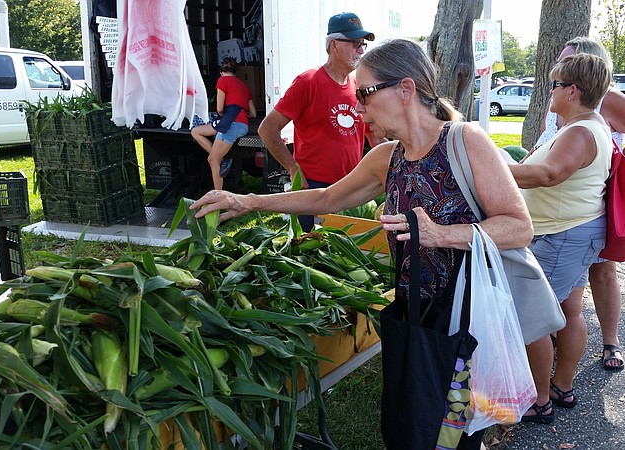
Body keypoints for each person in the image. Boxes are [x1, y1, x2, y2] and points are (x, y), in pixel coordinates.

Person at [193, 38, 533, 450]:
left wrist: (444, 234)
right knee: (409, 424)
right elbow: (325, 198)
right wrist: (247, 200)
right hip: (411, 313)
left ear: (405, 89)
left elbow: (519, 227)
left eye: (365, 94)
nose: (358, 107)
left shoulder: (465, 142)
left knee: (452, 433)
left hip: (465, 317)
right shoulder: (386, 157)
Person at [534, 37, 625, 371]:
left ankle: (611, 342)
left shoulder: (601, 100)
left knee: (602, 270)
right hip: (564, 199)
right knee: (570, 299)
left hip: (587, 198)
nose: (558, 70)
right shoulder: (562, 101)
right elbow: (546, 142)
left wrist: (618, 167)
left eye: (568, 61)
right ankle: (559, 367)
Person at [510, 53, 613, 424]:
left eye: (554, 85)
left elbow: (548, 175)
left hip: (562, 236)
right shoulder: (587, 124)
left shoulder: (581, 131)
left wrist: (492, 167)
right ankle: (561, 386)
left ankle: (539, 400)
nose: (549, 92)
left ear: (572, 90)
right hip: (571, 232)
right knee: (568, 312)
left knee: (533, 318)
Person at [257, 12, 375, 232]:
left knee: (344, 258)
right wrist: (293, 169)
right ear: (333, 45)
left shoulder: (358, 87)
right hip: (312, 189)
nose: (360, 50)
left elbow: (373, 135)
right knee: (311, 254)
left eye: (362, 45)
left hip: (349, 190)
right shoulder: (308, 82)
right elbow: (267, 129)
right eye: (354, 43)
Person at [190, 57, 257, 191]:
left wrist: (224, 115)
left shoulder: (222, 81)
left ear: (221, 72)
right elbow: (254, 114)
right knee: (196, 131)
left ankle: (218, 197)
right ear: (235, 73)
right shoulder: (243, 86)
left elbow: (220, 108)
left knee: (213, 160)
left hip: (231, 123)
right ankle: (224, 159)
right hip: (242, 124)